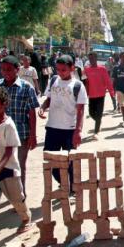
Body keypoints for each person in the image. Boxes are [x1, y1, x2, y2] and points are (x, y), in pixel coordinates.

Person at [0, 85, 33, 247]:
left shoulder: (9, 125)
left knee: (17, 200)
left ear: (4, 104)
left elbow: (8, 152)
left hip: (8, 170)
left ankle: (26, 218)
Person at [38, 55, 87, 194]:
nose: (60, 72)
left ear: (72, 68)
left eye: (63, 70)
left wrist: (78, 131)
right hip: (52, 128)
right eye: (58, 69)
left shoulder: (78, 85)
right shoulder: (53, 80)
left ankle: (72, 187)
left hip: (69, 130)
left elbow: (81, 110)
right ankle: (64, 183)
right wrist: (42, 107)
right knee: (51, 162)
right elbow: (48, 99)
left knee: (69, 162)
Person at [0, 56, 39, 195]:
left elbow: (32, 113)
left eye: (9, 69)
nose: (5, 72)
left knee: (18, 166)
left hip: (21, 134)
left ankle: (20, 195)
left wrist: (33, 135)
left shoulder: (26, 88)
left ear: (17, 70)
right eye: (3, 69)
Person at [82, 52, 115, 140]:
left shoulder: (102, 69)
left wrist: (112, 93)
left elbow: (108, 81)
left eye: (93, 58)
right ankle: (98, 122)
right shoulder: (86, 70)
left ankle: (96, 132)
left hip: (101, 95)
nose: (91, 60)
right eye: (90, 59)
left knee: (99, 114)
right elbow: (81, 79)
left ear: (96, 58)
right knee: (91, 113)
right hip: (91, 95)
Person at [112, 52, 124, 127]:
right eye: (122, 57)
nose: (123, 59)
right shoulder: (115, 68)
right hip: (119, 89)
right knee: (122, 105)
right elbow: (113, 79)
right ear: (120, 58)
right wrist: (112, 89)